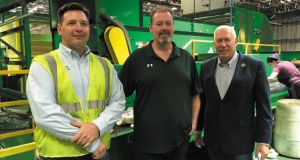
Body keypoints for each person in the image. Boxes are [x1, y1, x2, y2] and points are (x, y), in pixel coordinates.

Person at [26, 2, 125, 160]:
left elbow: (118, 101)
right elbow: (45, 114)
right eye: (71, 23)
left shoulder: (105, 65)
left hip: (98, 154)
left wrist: (97, 127)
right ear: (59, 29)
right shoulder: (43, 65)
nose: (79, 28)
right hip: (60, 155)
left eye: (83, 24)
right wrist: (92, 143)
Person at [118, 6, 202, 160]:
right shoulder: (137, 58)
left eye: (168, 23)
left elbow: (195, 95)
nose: (164, 28)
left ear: (173, 27)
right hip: (146, 143)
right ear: (150, 27)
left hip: (179, 141)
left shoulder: (186, 58)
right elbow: (118, 93)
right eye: (159, 24)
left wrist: (194, 123)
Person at [194, 25, 273, 160]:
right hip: (214, 139)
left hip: (240, 140)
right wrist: (198, 130)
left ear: (236, 41)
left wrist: (264, 141)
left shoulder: (255, 66)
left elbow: (263, 106)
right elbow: (203, 101)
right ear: (214, 44)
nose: (223, 44)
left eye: (227, 40)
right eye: (219, 41)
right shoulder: (205, 67)